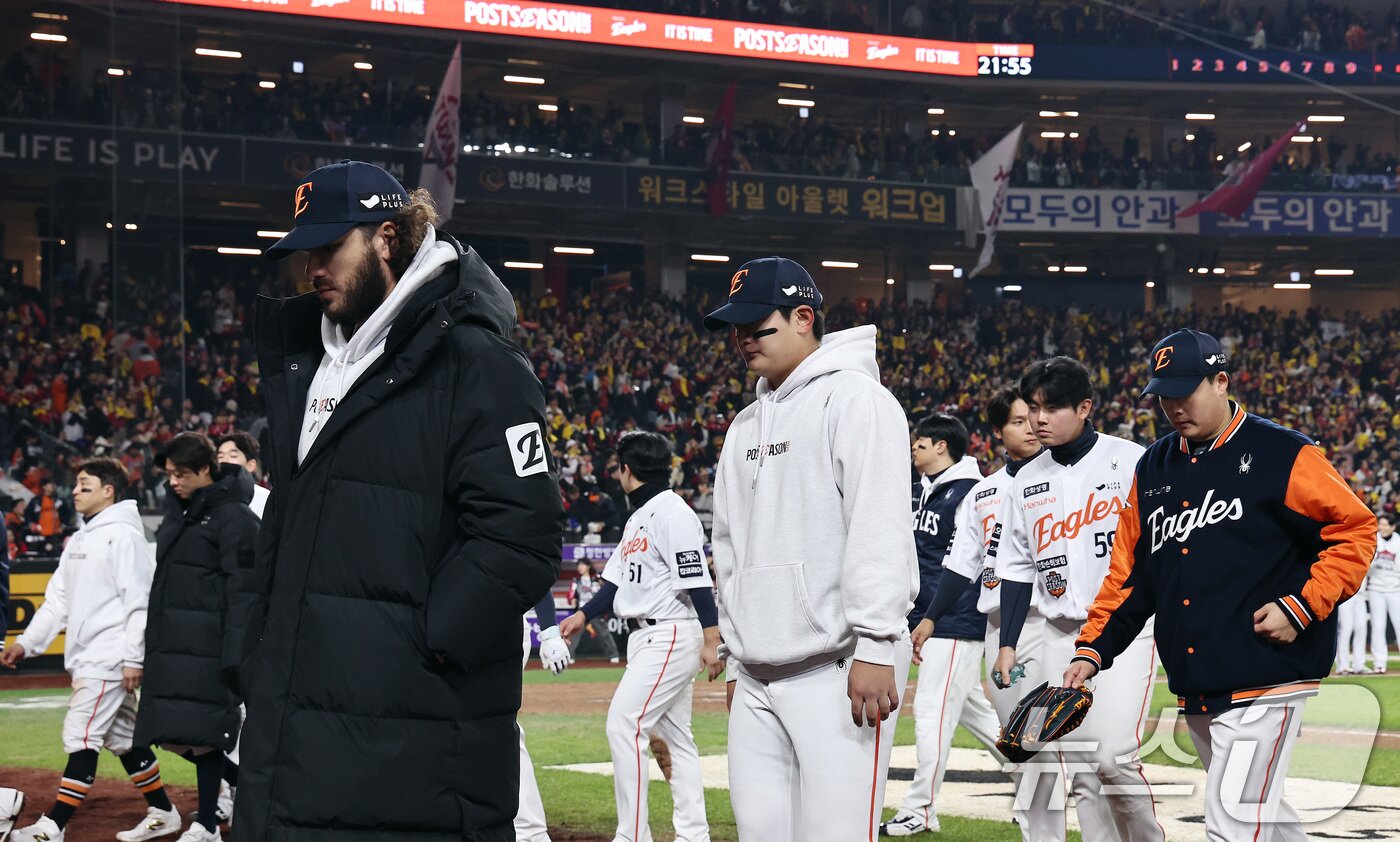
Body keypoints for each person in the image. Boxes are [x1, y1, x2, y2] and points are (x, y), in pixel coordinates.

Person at [237, 160, 563, 840]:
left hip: (415, 730)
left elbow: (522, 537)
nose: (311, 269)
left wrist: (418, 645)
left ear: (387, 237)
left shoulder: (478, 361)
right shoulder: (311, 364)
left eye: (329, 248)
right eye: (304, 253)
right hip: (302, 725)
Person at [1065, 328, 1376, 841]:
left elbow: (1354, 529)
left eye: (1185, 391)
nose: (1173, 406)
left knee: (1233, 818)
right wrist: (1093, 649)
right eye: (1163, 395)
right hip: (1197, 675)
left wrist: (1302, 605)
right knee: (1261, 818)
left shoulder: (1282, 452)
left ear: (1221, 382)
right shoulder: (1155, 464)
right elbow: (1131, 575)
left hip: (1267, 670)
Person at [702, 256, 918, 841]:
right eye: (736, 328)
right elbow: (729, 546)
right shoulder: (744, 424)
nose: (743, 339)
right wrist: (735, 658)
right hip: (756, 672)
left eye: (757, 325)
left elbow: (879, 526)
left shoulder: (858, 400)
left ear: (804, 317)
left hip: (840, 665)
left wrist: (877, 644)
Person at [992, 356, 1163, 841]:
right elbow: (1017, 567)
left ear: (1085, 407)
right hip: (1057, 633)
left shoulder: (1131, 460)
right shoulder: (1025, 479)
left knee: (1112, 758)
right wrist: (1007, 643)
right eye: (1033, 408)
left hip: (1124, 629)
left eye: (1052, 408)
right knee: (1082, 764)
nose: (1039, 419)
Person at [1, 458, 180, 842]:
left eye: (85, 485)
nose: (76, 491)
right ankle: (164, 811)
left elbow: (139, 601)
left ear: (108, 491)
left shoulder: (124, 536)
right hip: (90, 656)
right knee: (123, 739)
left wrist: (133, 658)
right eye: (77, 484)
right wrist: (26, 644)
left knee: (81, 737)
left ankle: (53, 827)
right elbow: (57, 601)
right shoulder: (82, 537)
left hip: (108, 656)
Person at [558, 431, 720, 842]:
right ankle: (694, 835)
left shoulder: (672, 513)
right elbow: (614, 582)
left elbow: (696, 579)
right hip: (652, 636)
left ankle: (632, 835)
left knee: (624, 724)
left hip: (669, 632)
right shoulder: (639, 517)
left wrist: (712, 639)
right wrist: (583, 613)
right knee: (674, 739)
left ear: (627, 470)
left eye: (618, 468)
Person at [913, 385, 1057, 841]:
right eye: (1017, 420)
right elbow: (961, 564)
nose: (1031, 427)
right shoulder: (985, 492)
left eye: (1034, 416)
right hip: (1000, 626)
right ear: (997, 432)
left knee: (1081, 744)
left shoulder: (1068, 477)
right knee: (1023, 738)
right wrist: (930, 617)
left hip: (1057, 622)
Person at [134, 433, 257, 842]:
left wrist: (237, 652)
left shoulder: (236, 518)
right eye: (169, 474)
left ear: (206, 469)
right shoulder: (179, 513)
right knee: (172, 732)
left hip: (211, 647)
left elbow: (246, 591)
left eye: (181, 474)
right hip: (174, 643)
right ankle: (243, 788)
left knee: (205, 736)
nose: (173, 482)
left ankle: (206, 825)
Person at [882, 413, 1000, 837]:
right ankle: (1043, 776)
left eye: (920, 443)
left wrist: (934, 616)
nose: (914, 449)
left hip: (954, 619)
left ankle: (921, 809)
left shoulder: (971, 492)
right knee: (977, 716)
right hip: (929, 619)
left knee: (931, 711)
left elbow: (970, 564)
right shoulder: (924, 490)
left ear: (941, 446)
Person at [516, 591, 574, 842]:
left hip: (499, 626)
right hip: (455, 626)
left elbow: (534, 574)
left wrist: (550, 632)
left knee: (497, 726)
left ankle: (530, 832)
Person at [567, 559, 620, 663]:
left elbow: (603, 594)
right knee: (574, 635)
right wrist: (571, 599)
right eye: (579, 565)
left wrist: (600, 582)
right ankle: (569, 656)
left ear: (588, 566)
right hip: (581, 611)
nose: (580, 567)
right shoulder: (576, 581)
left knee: (604, 634)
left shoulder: (596, 579)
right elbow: (570, 594)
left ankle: (613, 655)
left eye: (582, 565)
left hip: (595, 611)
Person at [1368, 514, 1400, 674]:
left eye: (1386, 524)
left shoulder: (1398, 542)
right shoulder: (1373, 540)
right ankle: (1379, 663)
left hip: (1395, 589)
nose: (1382, 527)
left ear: (1393, 527)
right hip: (1376, 589)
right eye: (1380, 524)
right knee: (1378, 626)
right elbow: (1366, 566)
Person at [215, 432, 270, 518]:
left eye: (233, 456)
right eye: (220, 457)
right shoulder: (209, 496)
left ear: (251, 465)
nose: (224, 461)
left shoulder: (265, 499)